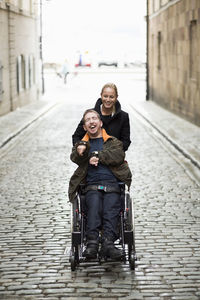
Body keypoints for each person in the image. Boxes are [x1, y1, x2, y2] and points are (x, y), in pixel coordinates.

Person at [68, 109, 132, 260]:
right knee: (94, 207)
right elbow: (74, 157)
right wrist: (82, 152)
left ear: (100, 123)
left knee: (111, 209)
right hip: (91, 186)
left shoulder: (112, 141)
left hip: (112, 185)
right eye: (88, 120)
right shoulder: (82, 145)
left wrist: (96, 155)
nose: (91, 121)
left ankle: (108, 243)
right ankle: (92, 243)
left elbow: (118, 155)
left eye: (94, 118)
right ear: (84, 127)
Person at [72, 83, 131, 151]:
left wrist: (114, 153)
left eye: (111, 97)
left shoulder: (123, 116)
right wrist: (82, 148)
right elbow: (76, 137)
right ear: (101, 95)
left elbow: (126, 141)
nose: (108, 100)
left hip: (113, 158)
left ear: (116, 97)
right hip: (91, 158)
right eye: (105, 96)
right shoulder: (90, 115)